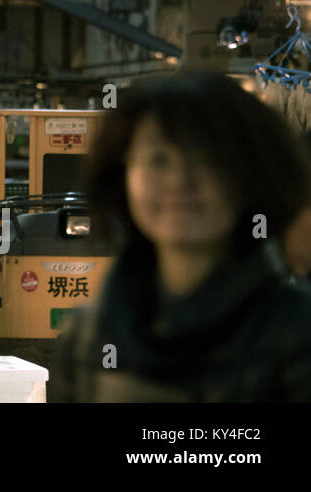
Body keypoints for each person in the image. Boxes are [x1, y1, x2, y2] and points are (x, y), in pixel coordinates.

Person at [50, 72, 311, 401]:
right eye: (158, 158)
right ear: (123, 176)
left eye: (208, 158)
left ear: (252, 175)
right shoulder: (86, 336)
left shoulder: (297, 334)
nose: (180, 180)